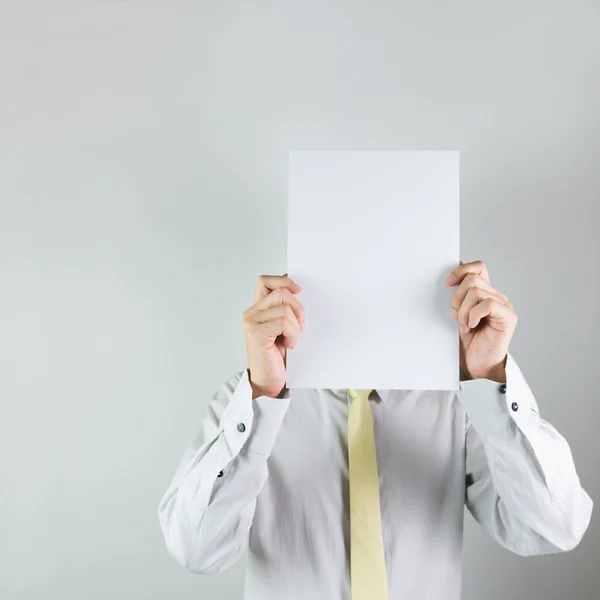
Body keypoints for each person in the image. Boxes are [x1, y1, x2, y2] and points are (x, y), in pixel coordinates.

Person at [157, 261, 593, 600]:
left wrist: (489, 379)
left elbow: (553, 529)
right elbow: (197, 549)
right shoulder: (247, 403)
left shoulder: (459, 401)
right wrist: (261, 398)